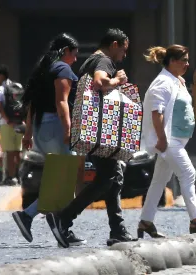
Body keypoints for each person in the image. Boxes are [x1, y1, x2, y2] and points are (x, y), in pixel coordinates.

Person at [45, 28, 136, 248]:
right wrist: (117, 80)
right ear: (114, 45)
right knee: (108, 178)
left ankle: (117, 229)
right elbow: (99, 83)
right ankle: (64, 217)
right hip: (99, 131)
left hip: (93, 129)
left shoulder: (91, 60)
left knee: (114, 177)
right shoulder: (104, 61)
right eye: (123, 51)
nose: (123, 56)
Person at [11, 33, 85, 246]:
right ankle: (39, 217)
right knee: (66, 179)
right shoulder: (62, 69)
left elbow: (31, 104)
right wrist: (68, 128)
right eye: (74, 54)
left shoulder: (43, 70)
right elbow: (62, 101)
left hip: (41, 127)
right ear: (66, 52)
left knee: (58, 179)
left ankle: (54, 224)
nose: (75, 59)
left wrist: (28, 133)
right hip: (55, 126)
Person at [139, 44, 196, 237]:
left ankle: (146, 222)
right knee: (188, 174)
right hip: (169, 140)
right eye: (184, 60)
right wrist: (161, 138)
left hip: (177, 140)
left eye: (188, 60)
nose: (188, 64)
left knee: (159, 180)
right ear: (172, 62)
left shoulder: (176, 80)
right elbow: (157, 113)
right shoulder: (162, 82)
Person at [0, 64, 23, 185]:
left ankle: (9, 177)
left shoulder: (0, 89)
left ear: (1, 75)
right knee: (18, 150)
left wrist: (7, 120)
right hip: (19, 122)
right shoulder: (17, 86)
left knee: (8, 151)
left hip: (6, 123)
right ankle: (18, 176)